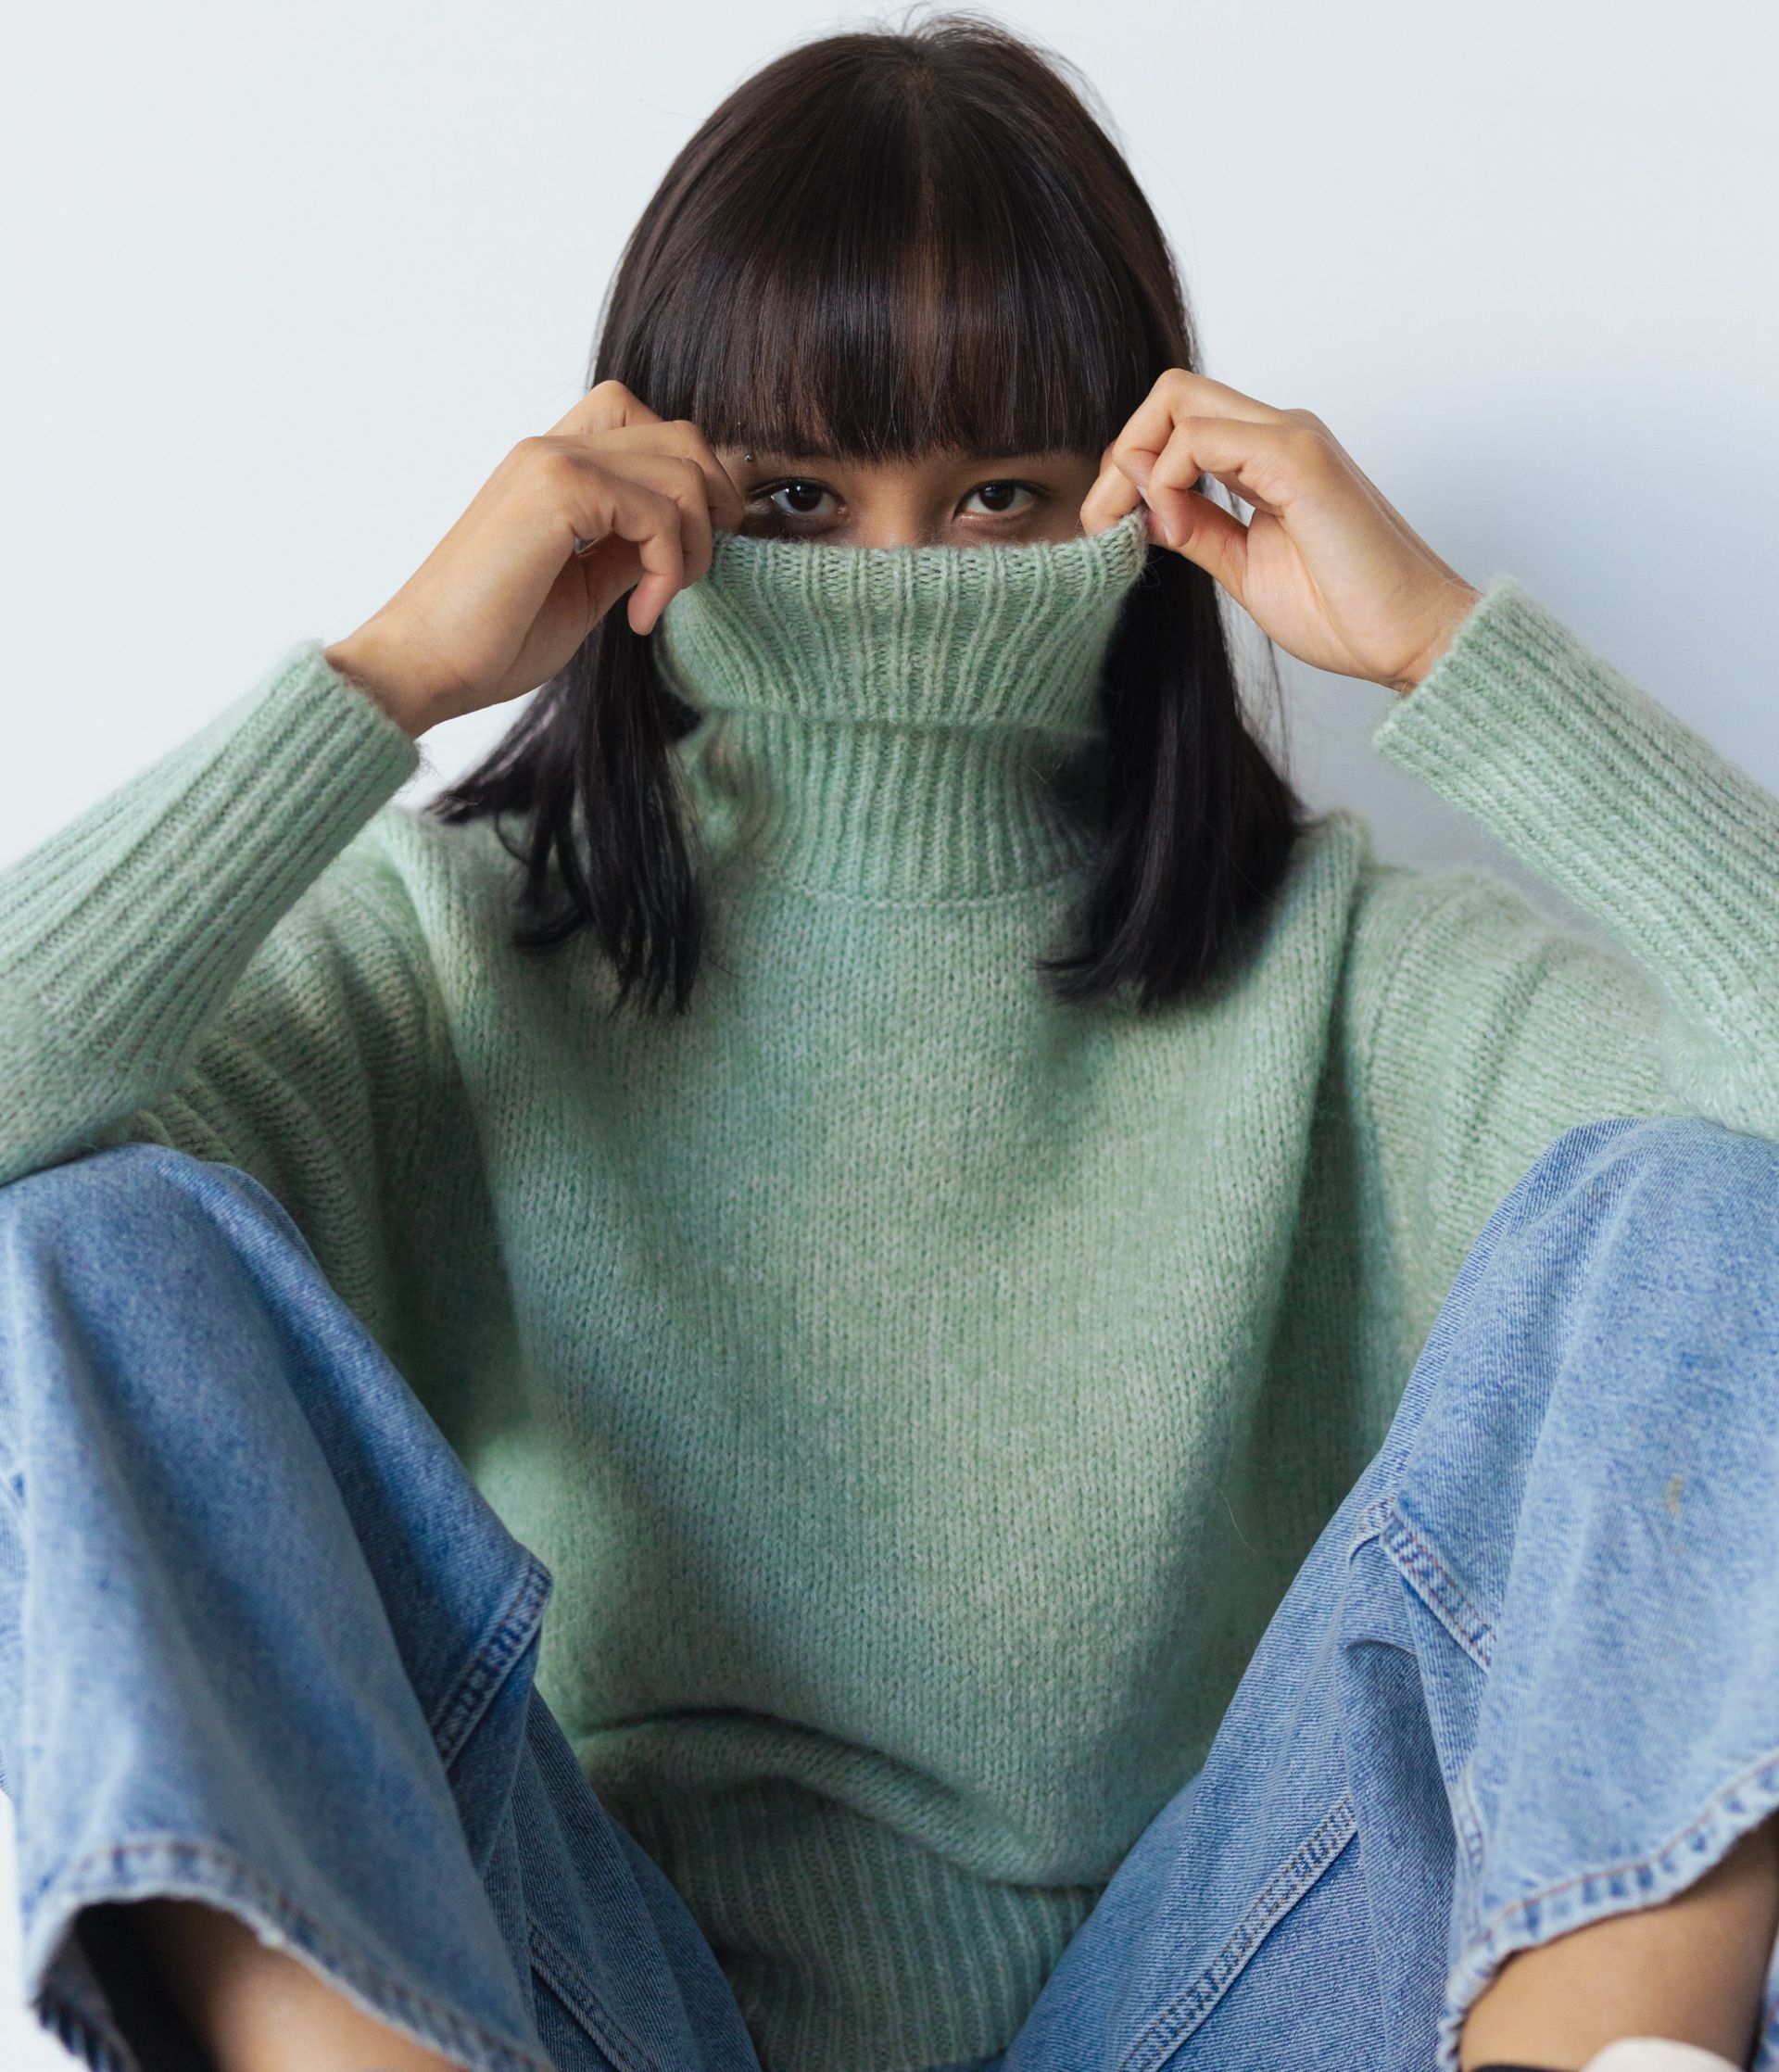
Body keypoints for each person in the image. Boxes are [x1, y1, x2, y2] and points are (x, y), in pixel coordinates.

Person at [3, 15, 1779, 2072]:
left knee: (1709, 1209)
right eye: (797, 496)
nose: (903, 578)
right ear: (642, 499)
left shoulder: (1341, 971)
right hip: (586, 2015)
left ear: (1146, 502)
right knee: (90, 1233)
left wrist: (1446, 646)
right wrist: (394, 672)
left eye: (1004, 493)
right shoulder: (450, 960)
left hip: (1201, 2007)